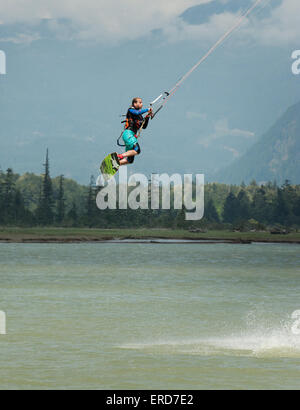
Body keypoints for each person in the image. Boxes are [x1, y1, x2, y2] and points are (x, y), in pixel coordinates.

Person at [117, 97, 153, 166]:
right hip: (128, 134)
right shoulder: (131, 110)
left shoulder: (140, 117)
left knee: (130, 160)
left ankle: (117, 163)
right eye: (140, 102)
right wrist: (147, 109)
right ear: (134, 103)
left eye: (141, 102)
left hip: (131, 136)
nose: (141, 104)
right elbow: (137, 112)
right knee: (137, 150)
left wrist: (148, 116)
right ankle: (119, 156)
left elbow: (144, 126)